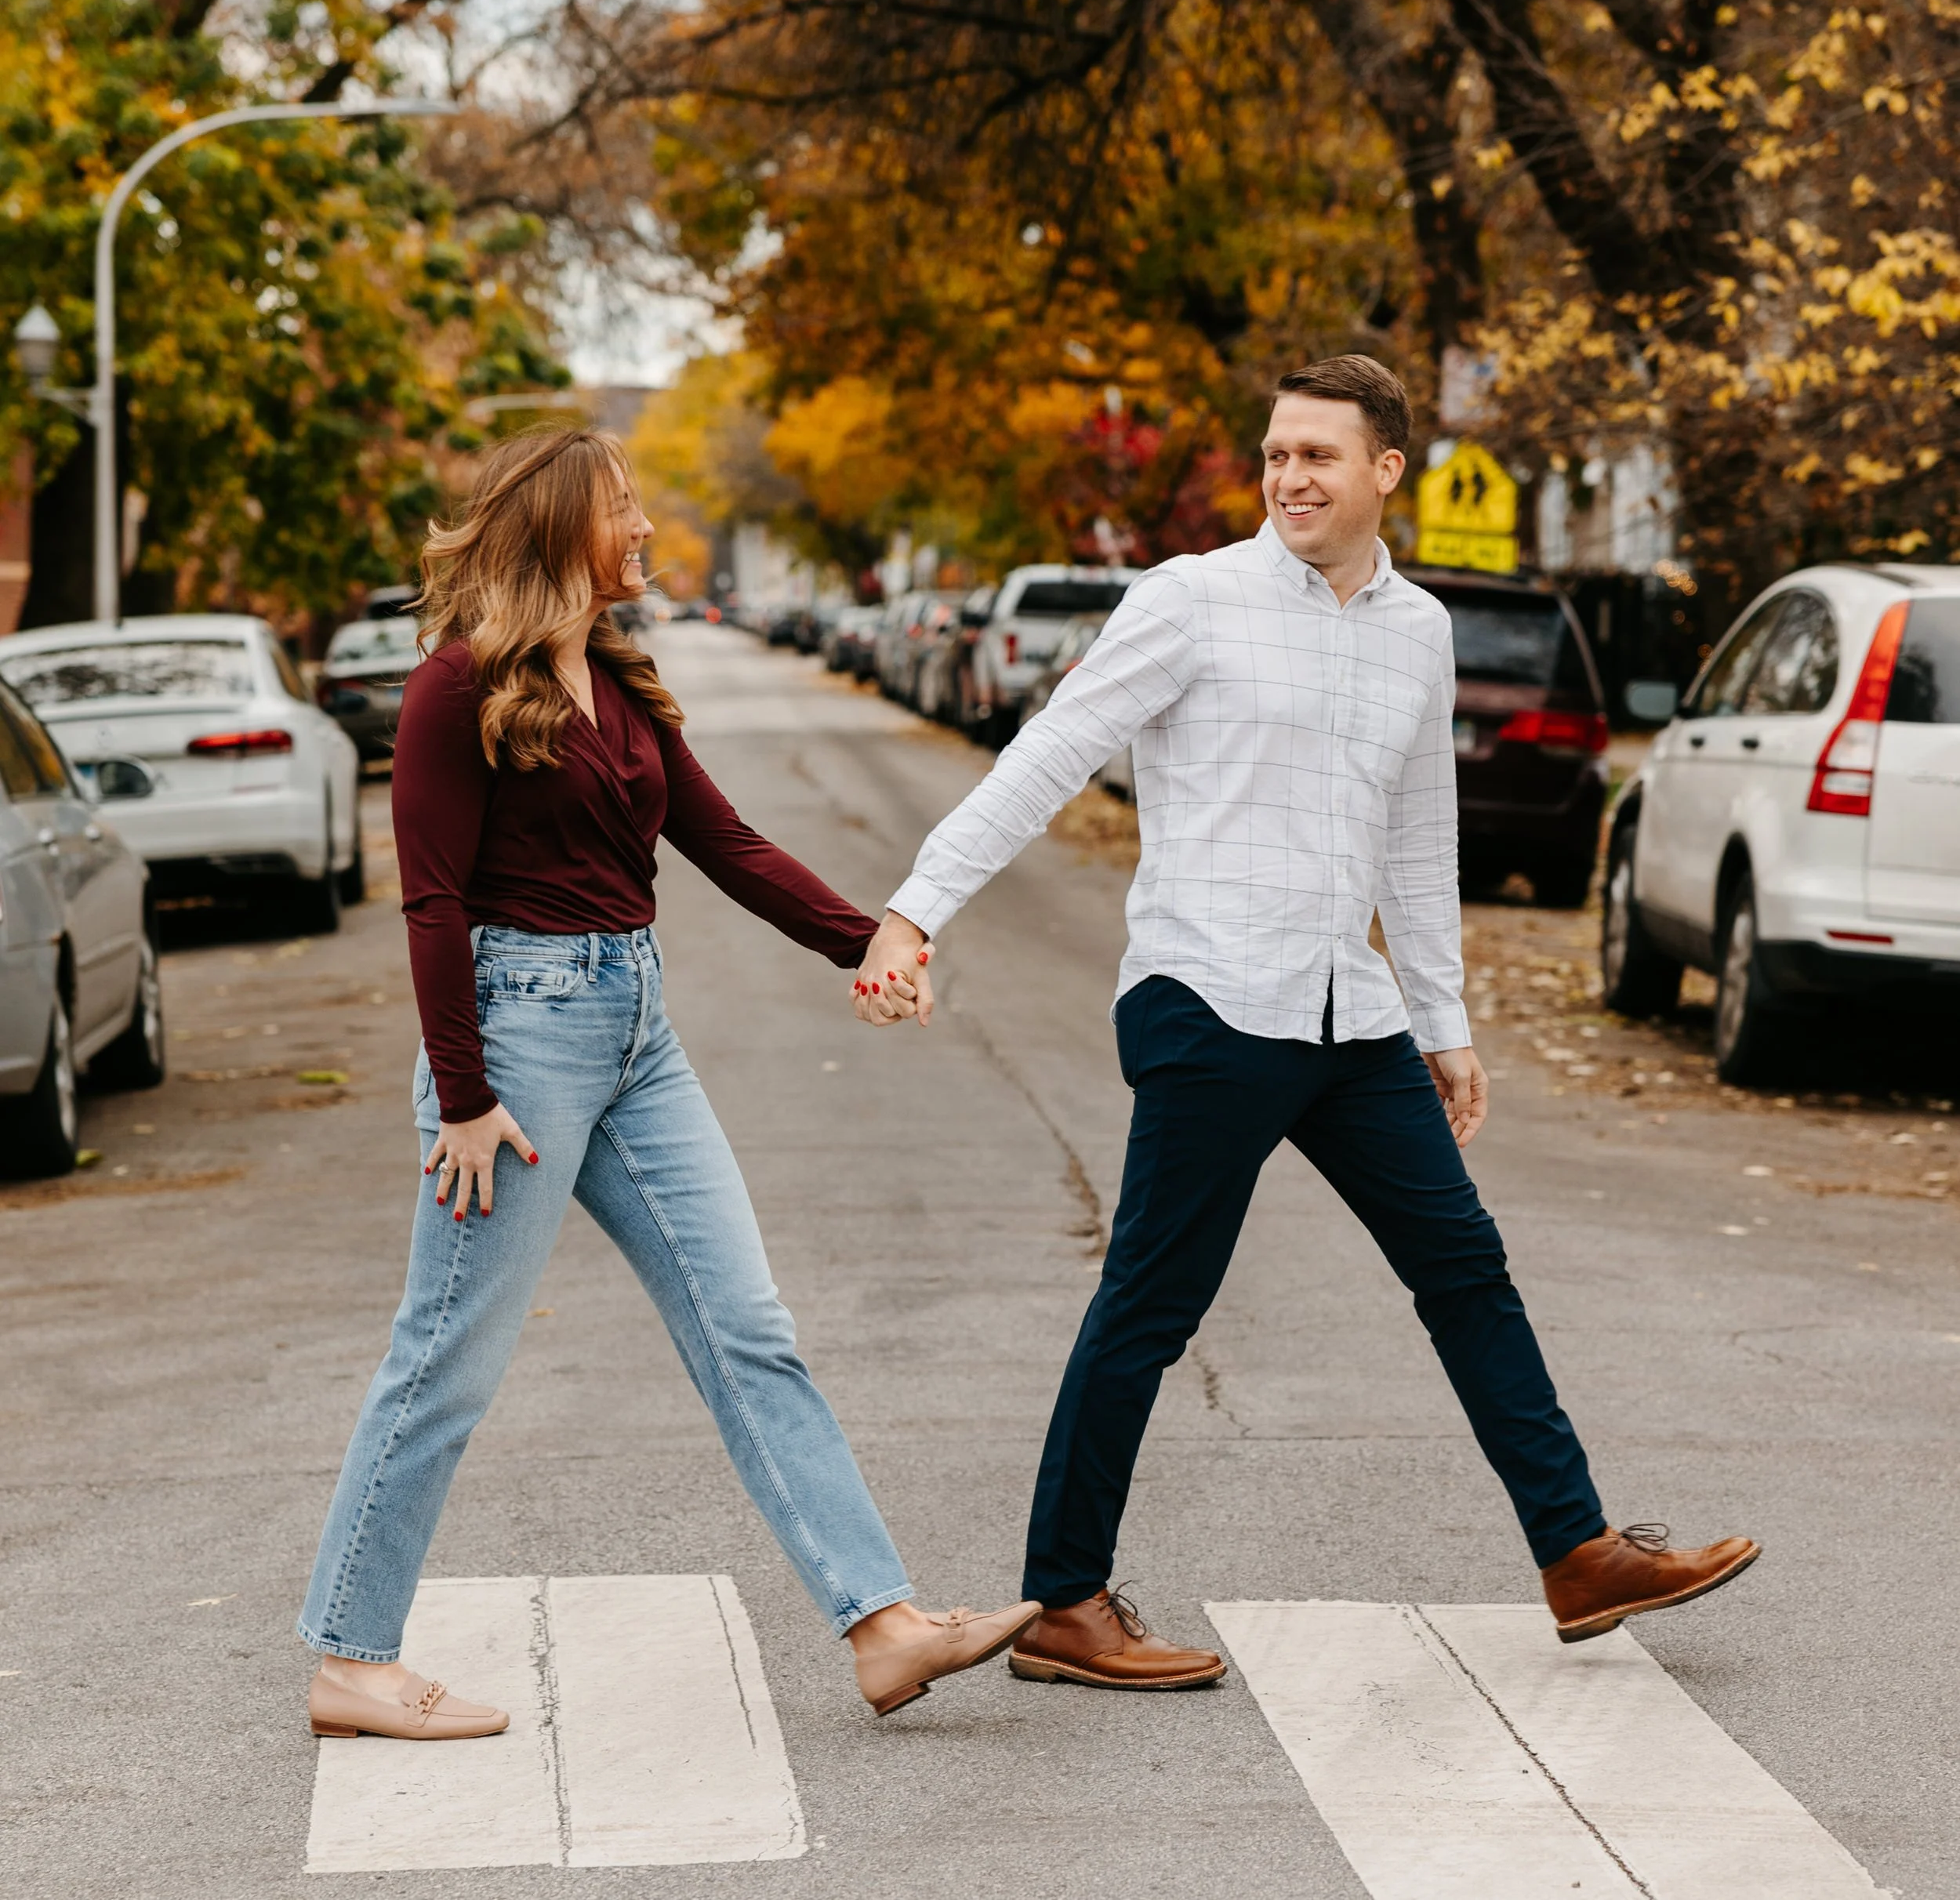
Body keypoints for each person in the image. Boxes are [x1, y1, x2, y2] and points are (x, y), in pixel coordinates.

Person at [852, 357, 1759, 1688]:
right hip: (1210, 998)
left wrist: (1444, 1020)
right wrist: (914, 910)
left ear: (1387, 470)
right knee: (1154, 1302)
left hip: (1350, 1013)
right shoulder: (1192, 600)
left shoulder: (1419, 629)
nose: (1288, 477)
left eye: (1318, 457)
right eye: (1276, 454)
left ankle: (1575, 1551)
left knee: (1465, 1266)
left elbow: (1417, 831)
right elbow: (1049, 750)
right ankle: (1062, 1602)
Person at [298, 427, 1035, 1739]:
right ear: (560, 528)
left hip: (638, 1032)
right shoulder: (454, 688)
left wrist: (868, 937)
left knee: (748, 1327)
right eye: (623, 507)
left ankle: (882, 1627)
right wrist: (464, 1096)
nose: (643, 526)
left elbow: (725, 842)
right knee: (449, 1357)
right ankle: (351, 1661)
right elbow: (430, 901)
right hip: (514, 1051)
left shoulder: (619, 682)